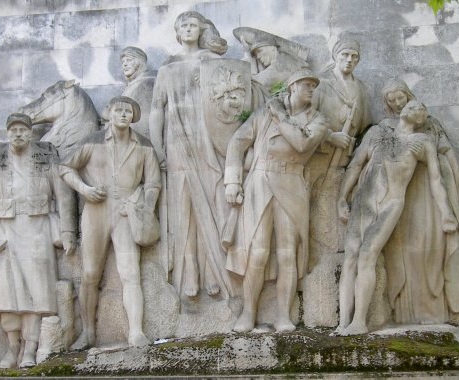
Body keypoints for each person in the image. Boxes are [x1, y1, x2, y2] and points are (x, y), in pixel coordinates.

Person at [335, 101, 458, 336]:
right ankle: (343, 322)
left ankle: (359, 321)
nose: (411, 107)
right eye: (410, 105)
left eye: (419, 107)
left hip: (391, 203)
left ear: (422, 118)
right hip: (363, 201)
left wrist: (446, 213)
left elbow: (436, 180)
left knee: (367, 254)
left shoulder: (423, 142)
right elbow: (356, 165)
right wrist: (342, 198)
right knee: (350, 256)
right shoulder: (376, 133)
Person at [224, 69, 330, 332]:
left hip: (292, 183)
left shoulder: (317, 120)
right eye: (307, 85)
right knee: (257, 252)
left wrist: (281, 117)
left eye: (313, 87)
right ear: (292, 86)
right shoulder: (263, 114)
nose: (311, 90)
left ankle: (283, 315)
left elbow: (301, 144)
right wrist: (233, 181)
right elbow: (237, 142)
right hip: (260, 181)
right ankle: (248, 313)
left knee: (287, 254)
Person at [0, 113, 77, 368]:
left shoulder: (45, 156)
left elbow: (63, 196)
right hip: (6, 233)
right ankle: (12, 346)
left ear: (30, 132)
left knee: (37, 292)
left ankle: (30, 347)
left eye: (22, 129)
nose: (18, 134)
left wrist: (68, 231)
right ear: (8, 133)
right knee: (6, 293)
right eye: (13, 129)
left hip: (38, 229)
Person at [60, 96, 160, 349]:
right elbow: (64, 168)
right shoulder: (92, 141)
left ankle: (136, 331)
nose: (124, 115)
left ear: (134, 117)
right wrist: (84, 189)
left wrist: (144, 207)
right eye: (119, 110)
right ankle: (89, 332)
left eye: (129, 111)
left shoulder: (144, 145)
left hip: (126, 212)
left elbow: (153, 183)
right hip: (96, 211)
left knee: (130, 273)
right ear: (109, 113)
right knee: (90, 274)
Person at [149, 11, 233, 298]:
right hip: (177, 144)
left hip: (209, 144)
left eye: (193, 25)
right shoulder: (167, 68)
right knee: (183, 209)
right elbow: (156, 110)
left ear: (201, 30)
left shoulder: (214, 63)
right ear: (177, 31)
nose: (188, 29)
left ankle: (214, 272)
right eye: (183, 24)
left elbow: (232, 105)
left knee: (212, 205)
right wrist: (158, 149)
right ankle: (190, 274)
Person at [379, 79, 459, 324]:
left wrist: (454, 187)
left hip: (429, 191)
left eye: (400, 97)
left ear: (408, 96)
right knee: (404, 250)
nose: (396, 103)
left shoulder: (430, 123)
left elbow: (447, 154)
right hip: (401, 192)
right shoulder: (385, 127)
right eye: (391, 100)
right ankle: (406, 313)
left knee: (429, 247)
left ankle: (433, 312)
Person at [308, 38, 373, 259]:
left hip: (346, 161)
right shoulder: (321, 83)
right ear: (336, 55)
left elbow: (366, 127)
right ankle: (316, 257)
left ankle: (338, 253)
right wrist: (330, 136)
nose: (349, 60)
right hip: (319, 156)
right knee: (316, 205)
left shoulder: (361, 89)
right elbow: (304, 119)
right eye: (345, 54)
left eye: (354, 57)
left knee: (338, 207)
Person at [119, 46, 156, 139]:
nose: (125, 64)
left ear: (139, 62)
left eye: (129, 60)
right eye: (123, 62)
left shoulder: (148, 81)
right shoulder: (131, 86)